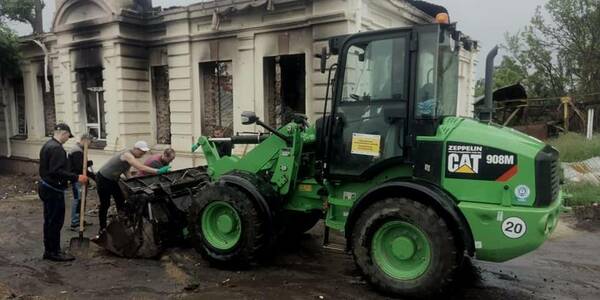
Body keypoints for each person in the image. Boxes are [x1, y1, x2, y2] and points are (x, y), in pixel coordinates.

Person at [38, 123, 88, 262]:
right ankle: (54, 252)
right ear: (63, 133)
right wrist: (77, 177)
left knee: (49, 220)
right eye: (67, 136)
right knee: (55, 221)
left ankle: (49, 250)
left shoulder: (47, 145)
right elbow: (56, 171)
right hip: (53, 189)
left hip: (46, 187)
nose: (67, 139)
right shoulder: (56, 149)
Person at [96, 141, 171, 232]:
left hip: (113, 180)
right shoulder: (127, 155)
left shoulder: (130, 158)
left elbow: (126, 171)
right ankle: (102, 228)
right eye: (141, 152)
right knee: (105, 204)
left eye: (144, 153)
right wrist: (158, 171)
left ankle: (122, 223)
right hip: (103, 178)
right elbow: (140, 167)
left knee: (121, 201)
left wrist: (133, 183)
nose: (143, 154)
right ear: (135, 149)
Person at [68, 134, 94, 231]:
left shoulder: (81, 149)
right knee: (78, 200)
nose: (91, 145)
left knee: (82, 199)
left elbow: (81, 165)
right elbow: (79, 168)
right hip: (77, 179)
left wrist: (88, 163)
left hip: (82, 178)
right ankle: (75, 223)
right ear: (84, 140)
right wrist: (93, 176)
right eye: (90, 142)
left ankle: (80, 219)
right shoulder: (77, 151)